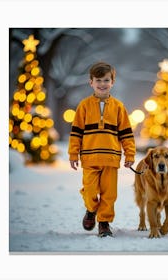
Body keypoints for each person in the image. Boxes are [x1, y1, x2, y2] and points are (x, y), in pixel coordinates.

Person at [68, 61, 136, 237]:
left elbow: (126, 134)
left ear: (112, 82)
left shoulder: (119, 107)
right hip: (89, 158)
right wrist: (73, 153)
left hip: (111, 159)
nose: (102, 84)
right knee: (90, 190)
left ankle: (104, 223)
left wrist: (130, 153)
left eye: (106, 80)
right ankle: (91, 210)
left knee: (109, 194)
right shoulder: (83, 106)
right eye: (98, 80)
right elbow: (76, 132)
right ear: (91, 82)